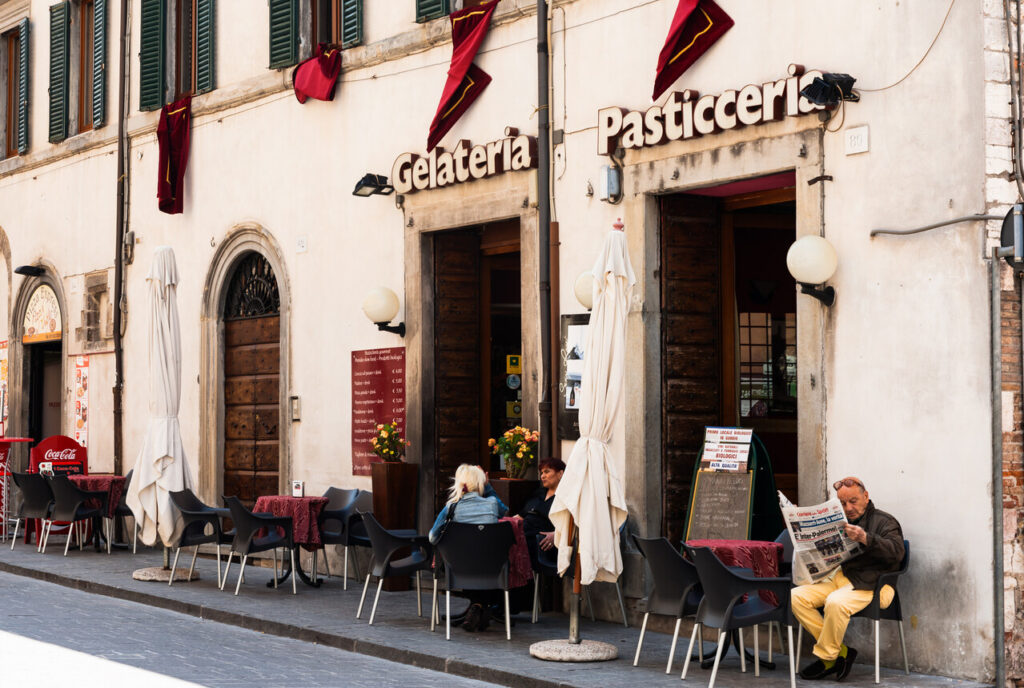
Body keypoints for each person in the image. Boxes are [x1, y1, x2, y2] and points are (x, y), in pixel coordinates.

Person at [791, 476, 905, 682]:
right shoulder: (841, 520)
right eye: (843, 503)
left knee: (835, 602)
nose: (848, 507)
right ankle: (841, 652)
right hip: (842, 579)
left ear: (866, 496)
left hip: (874, 585)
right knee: (797, 597)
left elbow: (897, 553)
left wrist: (865, 538)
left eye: (853, 501)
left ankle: (828, 659)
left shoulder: (885, 521)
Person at [428, 464, 508, 632]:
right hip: (492, 567)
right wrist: (488, 487)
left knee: (465, 555)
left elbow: (432, 537)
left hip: (459, 568)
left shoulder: (452, 507)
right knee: (481, 555)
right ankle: (481, 606)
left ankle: (478, 606)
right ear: (481, 483)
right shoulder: (492, 503)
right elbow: (505, 512)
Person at [513, 457, 566, 569]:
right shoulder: (539, 493)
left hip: (544, 546)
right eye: (541, 473)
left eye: (547, 472)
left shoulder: (565, 498)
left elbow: (573, 523)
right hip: (524, 539)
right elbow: (520, 516)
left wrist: (556, 534)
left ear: (560, 473)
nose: (542, 476)